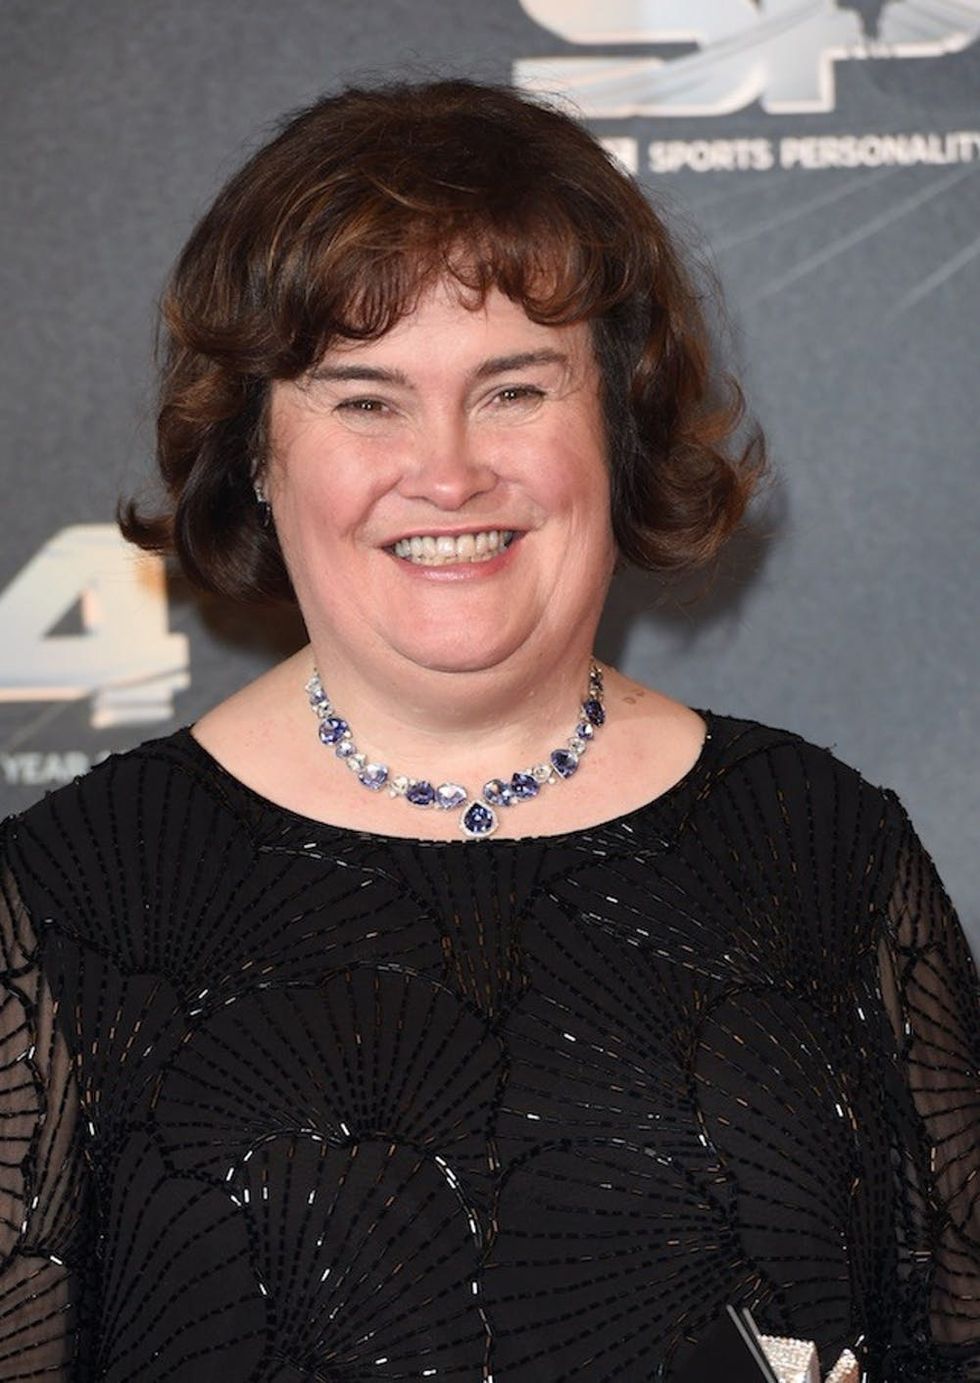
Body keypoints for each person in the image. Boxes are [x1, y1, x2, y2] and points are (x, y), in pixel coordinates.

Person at [0, 77, 976, 1382]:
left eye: (514, 389)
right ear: (255, 455)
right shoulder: (66, 903)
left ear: (618, 424)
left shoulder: (830, 858)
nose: (448, 471)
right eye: (365, 397)